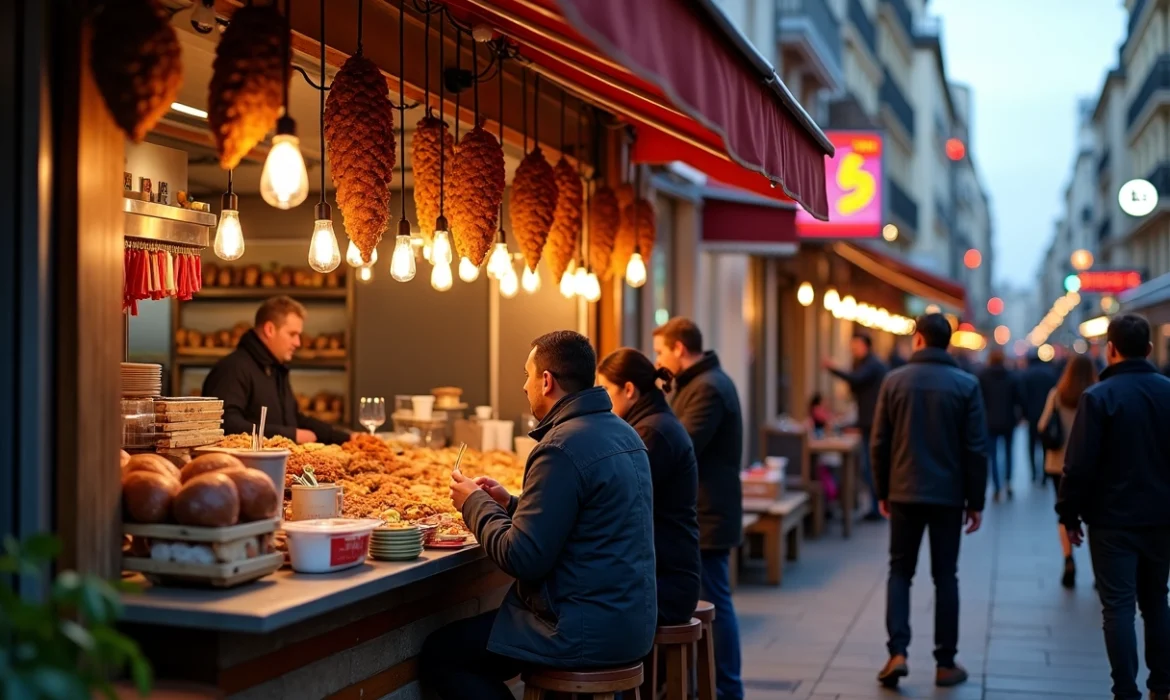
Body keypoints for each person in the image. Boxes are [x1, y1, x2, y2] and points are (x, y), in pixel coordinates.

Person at [421, 331, 657, 700]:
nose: (524, 385)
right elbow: (586, 523)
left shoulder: (561, 447)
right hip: (629, 622)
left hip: (577, 629)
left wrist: (473, 503)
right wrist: (511, 505)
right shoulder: (624, 434)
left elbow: (523, 557)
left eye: (528, 375)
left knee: (443, 654)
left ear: (546, 381)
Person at [870, 313, 988, 690]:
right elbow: (976, 449)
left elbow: (879, 443)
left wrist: (882, 490)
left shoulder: (894, 381)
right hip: (948, 496)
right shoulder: (966, 385)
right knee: (945, 576)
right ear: (948, 342)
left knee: (900, 572)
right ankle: (945, 662)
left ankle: (898, 652)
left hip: (904, 491)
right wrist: (976, 500)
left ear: (918, 339)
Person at [1057, 314, 1170, 700]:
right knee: (1157, 600)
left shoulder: (1098, 397)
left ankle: (1125, 691)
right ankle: (1162, 685)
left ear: (1110, 349)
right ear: (1150, 349)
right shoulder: (1168, 392)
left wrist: (1068, 516)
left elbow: (1078, 465)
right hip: (1161, 518)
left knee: (1118, 607)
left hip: (1111, 520)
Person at [652, 317, 744, 700]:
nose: (658, 360)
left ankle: (725, 688)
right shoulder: (701, 383)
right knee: (712, 598)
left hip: (707, 514)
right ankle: (703, 685)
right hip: (707, 511)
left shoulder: (707, 388)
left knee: (715, 601)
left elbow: (681, 449)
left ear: (679, 348)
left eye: (660, 351)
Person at [597, 347, 701, 626]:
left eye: (605, 388)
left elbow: (617, 503)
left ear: (628, 389)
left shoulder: (651, 433)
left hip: (664, 585)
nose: (600, 397)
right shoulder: (652, 424)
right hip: (664, 575)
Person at [202, 296, 349, 444]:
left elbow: (294, 419)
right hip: (243, 466)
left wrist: (346, 438)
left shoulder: (276, 369)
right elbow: (225, 425)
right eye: (292, 334)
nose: (298, 343)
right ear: (270, 330)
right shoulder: (232, 368)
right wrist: (290, 435)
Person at [1038, 354, 1097, 589]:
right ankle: (1097, 569)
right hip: (1089, 464)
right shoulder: (1096, 393)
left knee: (1064, 513)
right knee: (1093, 515)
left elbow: (1042, 426)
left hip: (1058, 463)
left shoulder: (1057, 394)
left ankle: (1068, 559)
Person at [823, 332, 887, 520]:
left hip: (872, 422)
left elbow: (856, 379)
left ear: (865, 345)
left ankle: (877, 507)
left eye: (855, 345)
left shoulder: (872, 364)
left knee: (871, 466)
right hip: (867, 421)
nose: (853, 349)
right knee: (868, 466)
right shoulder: (864, 363)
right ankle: (874, 506)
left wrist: (833, 368)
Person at [977, 349, 1023, 502]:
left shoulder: (982, 376)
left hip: (989, 421)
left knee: (993, 455)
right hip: (1008, 420)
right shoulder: (1011, 376)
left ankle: (997, 485)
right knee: (1009, 452)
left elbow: (979, 400)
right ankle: (1008, 481)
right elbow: (1018, 398)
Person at [1020, 351, 1058, 483]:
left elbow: (1023, 395)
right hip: (1046, 414)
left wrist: (1023, 413)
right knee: (1045, 444)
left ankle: (1033, 472)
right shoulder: (1049, 373)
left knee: (1031, 444)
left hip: (1031, 414)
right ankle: (1045, 473)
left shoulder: (1027, 374)